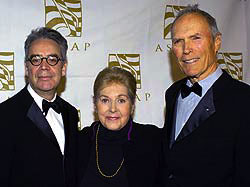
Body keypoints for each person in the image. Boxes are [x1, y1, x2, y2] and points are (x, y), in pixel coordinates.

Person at [162, 4, 250, 187]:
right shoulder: (172, 94)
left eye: (196, 38)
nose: (186, 49)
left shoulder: (243, 99)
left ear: (216, 42)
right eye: (178, 41)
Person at [0, 27, 79, 186]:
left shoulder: (70, 113)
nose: (44, 66)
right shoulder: (5, 115)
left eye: (52, 59)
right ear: (26, 68)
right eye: (36, 59)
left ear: (63, 68)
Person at [77, 67, 162, 187]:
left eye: (121, 100)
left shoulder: (152, 140)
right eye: (105, 100)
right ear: (95, 105)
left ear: (132, 105)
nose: (112, 109)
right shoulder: (80, 141)